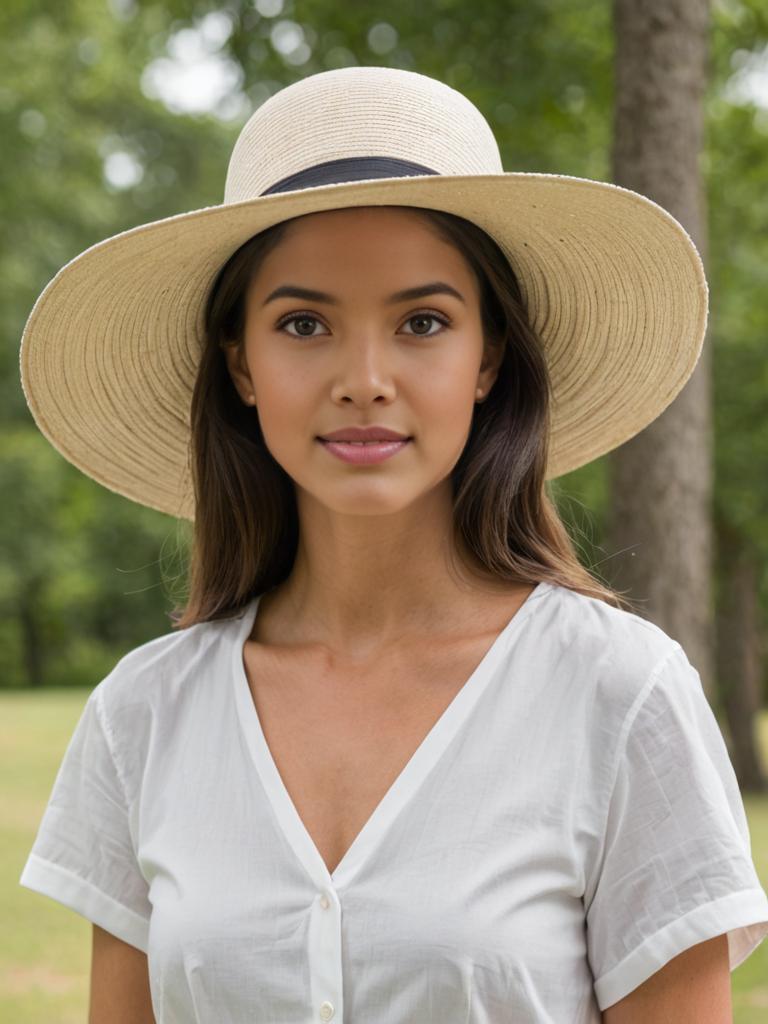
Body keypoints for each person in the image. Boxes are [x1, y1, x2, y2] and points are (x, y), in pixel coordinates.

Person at [17, 65, 768, 1023]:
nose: (364, 379)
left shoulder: (621, 698)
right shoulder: (142, 719)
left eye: (422, 322)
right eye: (303, 323)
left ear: (488, 356)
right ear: (241, 365)